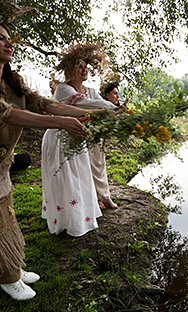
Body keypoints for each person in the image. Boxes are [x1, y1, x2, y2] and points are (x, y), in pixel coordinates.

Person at [0, 21, 93, 301]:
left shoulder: (11, 81)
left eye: (9, 38)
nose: (9, 43)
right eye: (0, 38)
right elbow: (3, 113)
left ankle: (11, 266)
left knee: (4, 219)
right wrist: (60, 123)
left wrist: (89, 114)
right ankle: (7, 277)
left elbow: (44, 104)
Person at [41, 44, 122, 239]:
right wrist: (112, 108)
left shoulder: (90, 90)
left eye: (86, 66)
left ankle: (80, 218)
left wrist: (113, 110)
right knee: (65, 178)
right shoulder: (62, 90)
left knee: (80, 177)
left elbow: (98, 102)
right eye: (79, 66)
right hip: (60, 139)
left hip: (77, 138)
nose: (84, 70)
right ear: (70, 70)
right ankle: (65, 221)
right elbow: (87, 104)